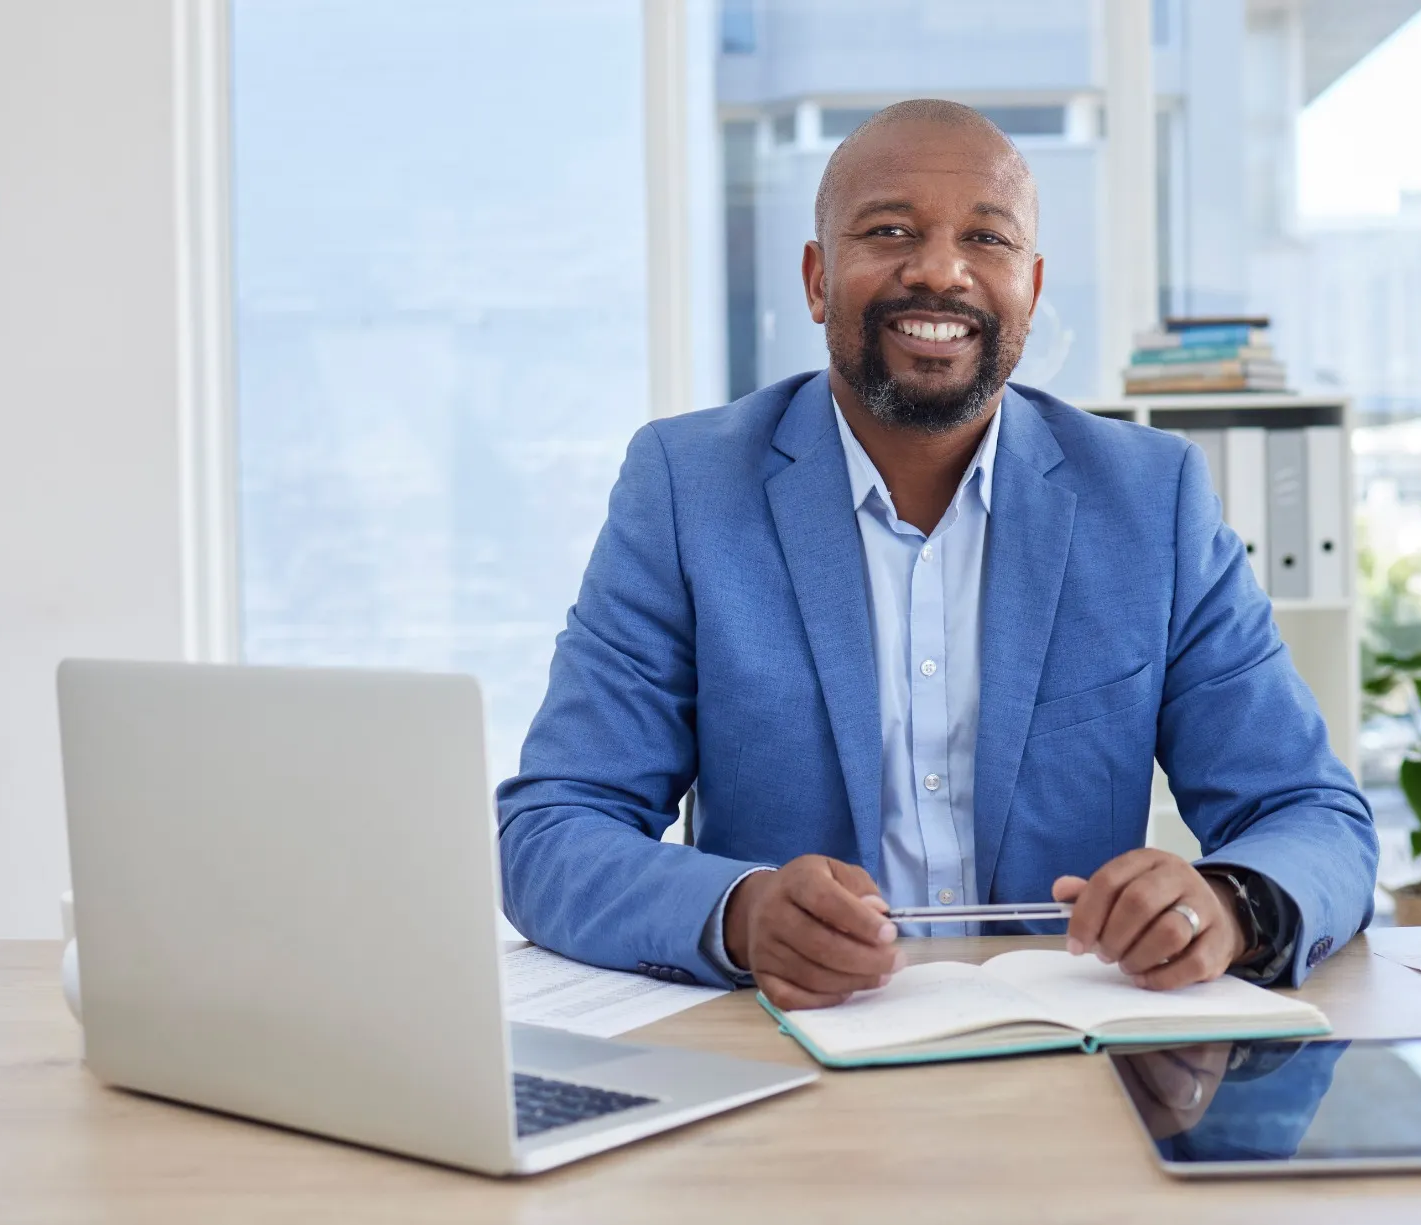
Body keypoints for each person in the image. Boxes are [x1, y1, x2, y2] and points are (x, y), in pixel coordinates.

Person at [497, 99, 1376, 1011]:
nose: (939, 272)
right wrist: (738, 913)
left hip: (1074, 1049)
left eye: (985, 240)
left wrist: (1227, 906)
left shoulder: (1151, 501)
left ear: (1030, 288)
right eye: (888, 230)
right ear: (815, 278)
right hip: (794, 1053)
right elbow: (553, 827)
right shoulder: (688, 488)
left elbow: (1311, 815)